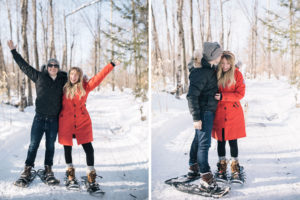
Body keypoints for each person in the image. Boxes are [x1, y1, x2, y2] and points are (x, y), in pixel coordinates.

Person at [7, 40, 67, 187]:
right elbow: (24, 66)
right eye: (50, 65)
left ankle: (48, 169)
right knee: (33, 145)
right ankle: (27, 169)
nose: (53, 67)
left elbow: (75, 81)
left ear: (58, 68)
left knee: (50, 146)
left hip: (53, 120)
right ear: (47, 67)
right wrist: (14, 51)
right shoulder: (39, 76)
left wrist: (83, 79)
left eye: (55, 65)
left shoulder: (62, 80)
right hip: (39, 119)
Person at [58, 60, 120, 191]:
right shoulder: (63, 87)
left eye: (76, 75)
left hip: (82, 123)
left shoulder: (85, 87)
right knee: (67, 149)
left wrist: (111, 65)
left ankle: (91, 176)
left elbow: (99, 77)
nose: (73, 77)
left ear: (80, 76)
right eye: (71, 74)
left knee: (89, 149)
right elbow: (52, 80)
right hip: (66, 123)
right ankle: (70, 176)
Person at [186, 42, 223, 191]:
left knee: (198, 140)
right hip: (203, 112)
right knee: (204, 144)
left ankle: (193, 167)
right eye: (219, 54)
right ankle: (205, 177)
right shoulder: (202, 72)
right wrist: (196, 118)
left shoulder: (210, 69)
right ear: (213, 56)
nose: (221, 56)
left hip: (207, 110)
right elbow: (191, 96)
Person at [212, 51, 246, 181]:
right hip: (219, 113)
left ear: (232, 63)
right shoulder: (216, 74)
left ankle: (235, 167)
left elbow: (240, 94)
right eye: (223, 63)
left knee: (233, 141)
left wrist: (223, 96)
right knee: (220, 140)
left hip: (233, 113)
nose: (225, 66)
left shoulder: (237, 74)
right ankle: (222, 166)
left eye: (227, 63)